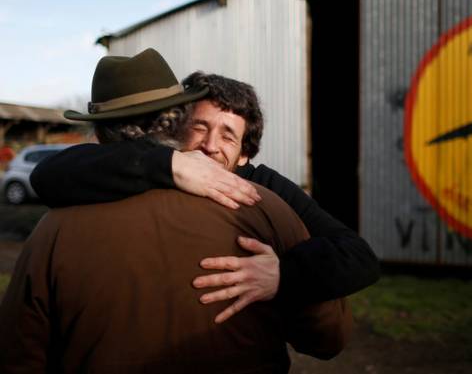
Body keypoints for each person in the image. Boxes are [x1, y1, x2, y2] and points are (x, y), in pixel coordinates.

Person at [0, 48, 351, 372]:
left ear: (99, 133)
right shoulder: (264, 208)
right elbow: (328, 337)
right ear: (179, 121)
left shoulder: (54, 231)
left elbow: (19, 355)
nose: (212, 145)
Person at [31, 71, 379, 322]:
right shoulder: (158, 165)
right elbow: (48, 175)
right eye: (200, 127)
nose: (211, 146)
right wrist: (169, 165)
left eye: (228, 136)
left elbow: (358, 256)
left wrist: (284, 276)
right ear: (176, 129)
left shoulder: (265, 186)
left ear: (245, 153)